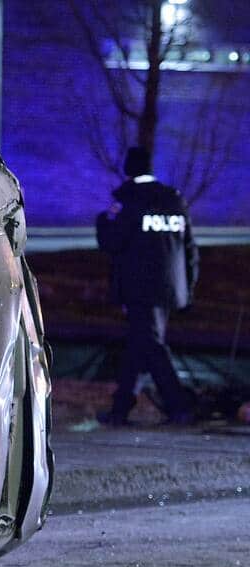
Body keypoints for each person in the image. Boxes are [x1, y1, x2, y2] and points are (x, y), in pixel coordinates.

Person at [96, 146, 200, 426]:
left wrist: (102, 221)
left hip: (140, 288)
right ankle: (121, 408)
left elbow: (111, 241)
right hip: (170, 288)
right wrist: (188, 288)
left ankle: (179, 405)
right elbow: (190, 249)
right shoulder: (174, 199)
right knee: (139, 344)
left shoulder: (129, 200)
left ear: (129, 167)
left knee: (151, 345)